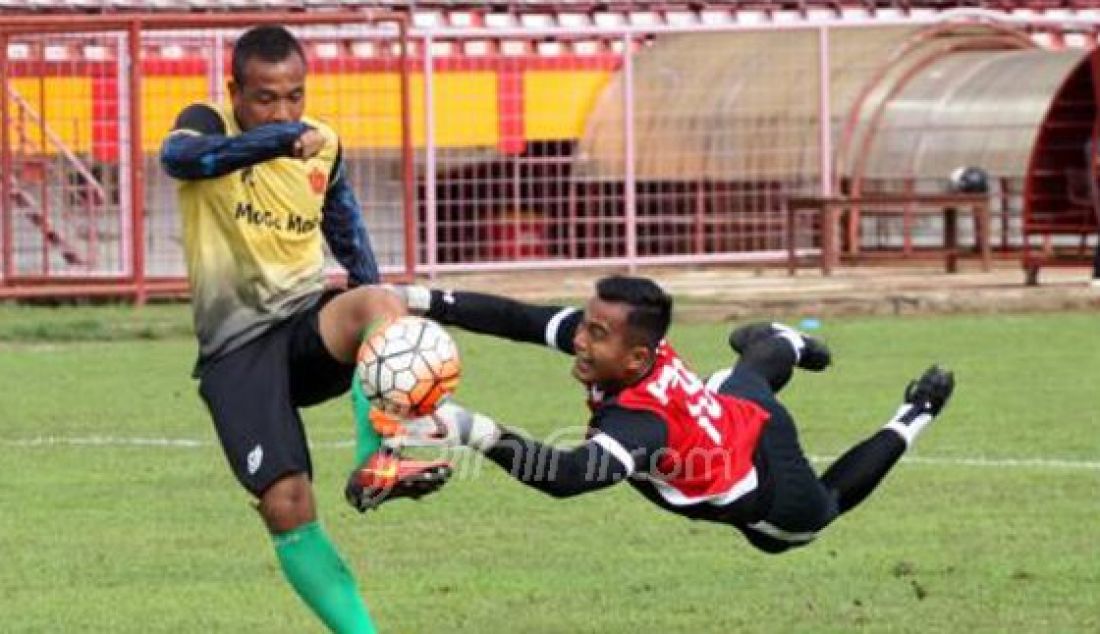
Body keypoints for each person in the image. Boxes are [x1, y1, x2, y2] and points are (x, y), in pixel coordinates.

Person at [159, 25, 448, 633]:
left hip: (302, 327)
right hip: (236, 351)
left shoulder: (324, 146)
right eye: (266, 97)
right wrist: (279, 138)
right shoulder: (207, 124)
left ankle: (381, 460)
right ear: (235, 89)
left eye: (295, 96)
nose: (284, 109)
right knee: (287, 506)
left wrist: (393, 344)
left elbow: (348, 235)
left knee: (376, 299)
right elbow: (178, 159)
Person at [396, 276, 954, 554]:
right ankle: (786, 341)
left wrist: (467, 427)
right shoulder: (632, 353)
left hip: (764, 485)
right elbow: (518, 318)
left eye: (596, 333)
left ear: (638, 356)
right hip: (731, 407)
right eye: (586, 326)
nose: (580, 342)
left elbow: (566, 478)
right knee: (752, 375)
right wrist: (422, 299)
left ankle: (915, 412)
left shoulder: (640, 424)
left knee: (817, 516)